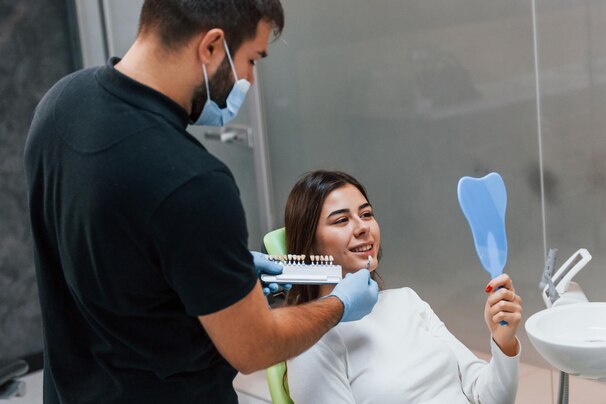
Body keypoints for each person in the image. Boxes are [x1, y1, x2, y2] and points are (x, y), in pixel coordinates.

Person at [23, 2, 378, 403]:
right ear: (211, 46)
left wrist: (216, 269)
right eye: (251, 60)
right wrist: (338, 303)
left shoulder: (60, 105)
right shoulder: (192, 181)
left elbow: (112, 251)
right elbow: (254, 347)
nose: (249, 79)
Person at [283, 171, 522, 403]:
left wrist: (504, 343)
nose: (362, 227)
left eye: (366, 214)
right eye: (342, 220)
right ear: (310, 244)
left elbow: (489, 397)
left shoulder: (406, 301)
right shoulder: (311, 342)